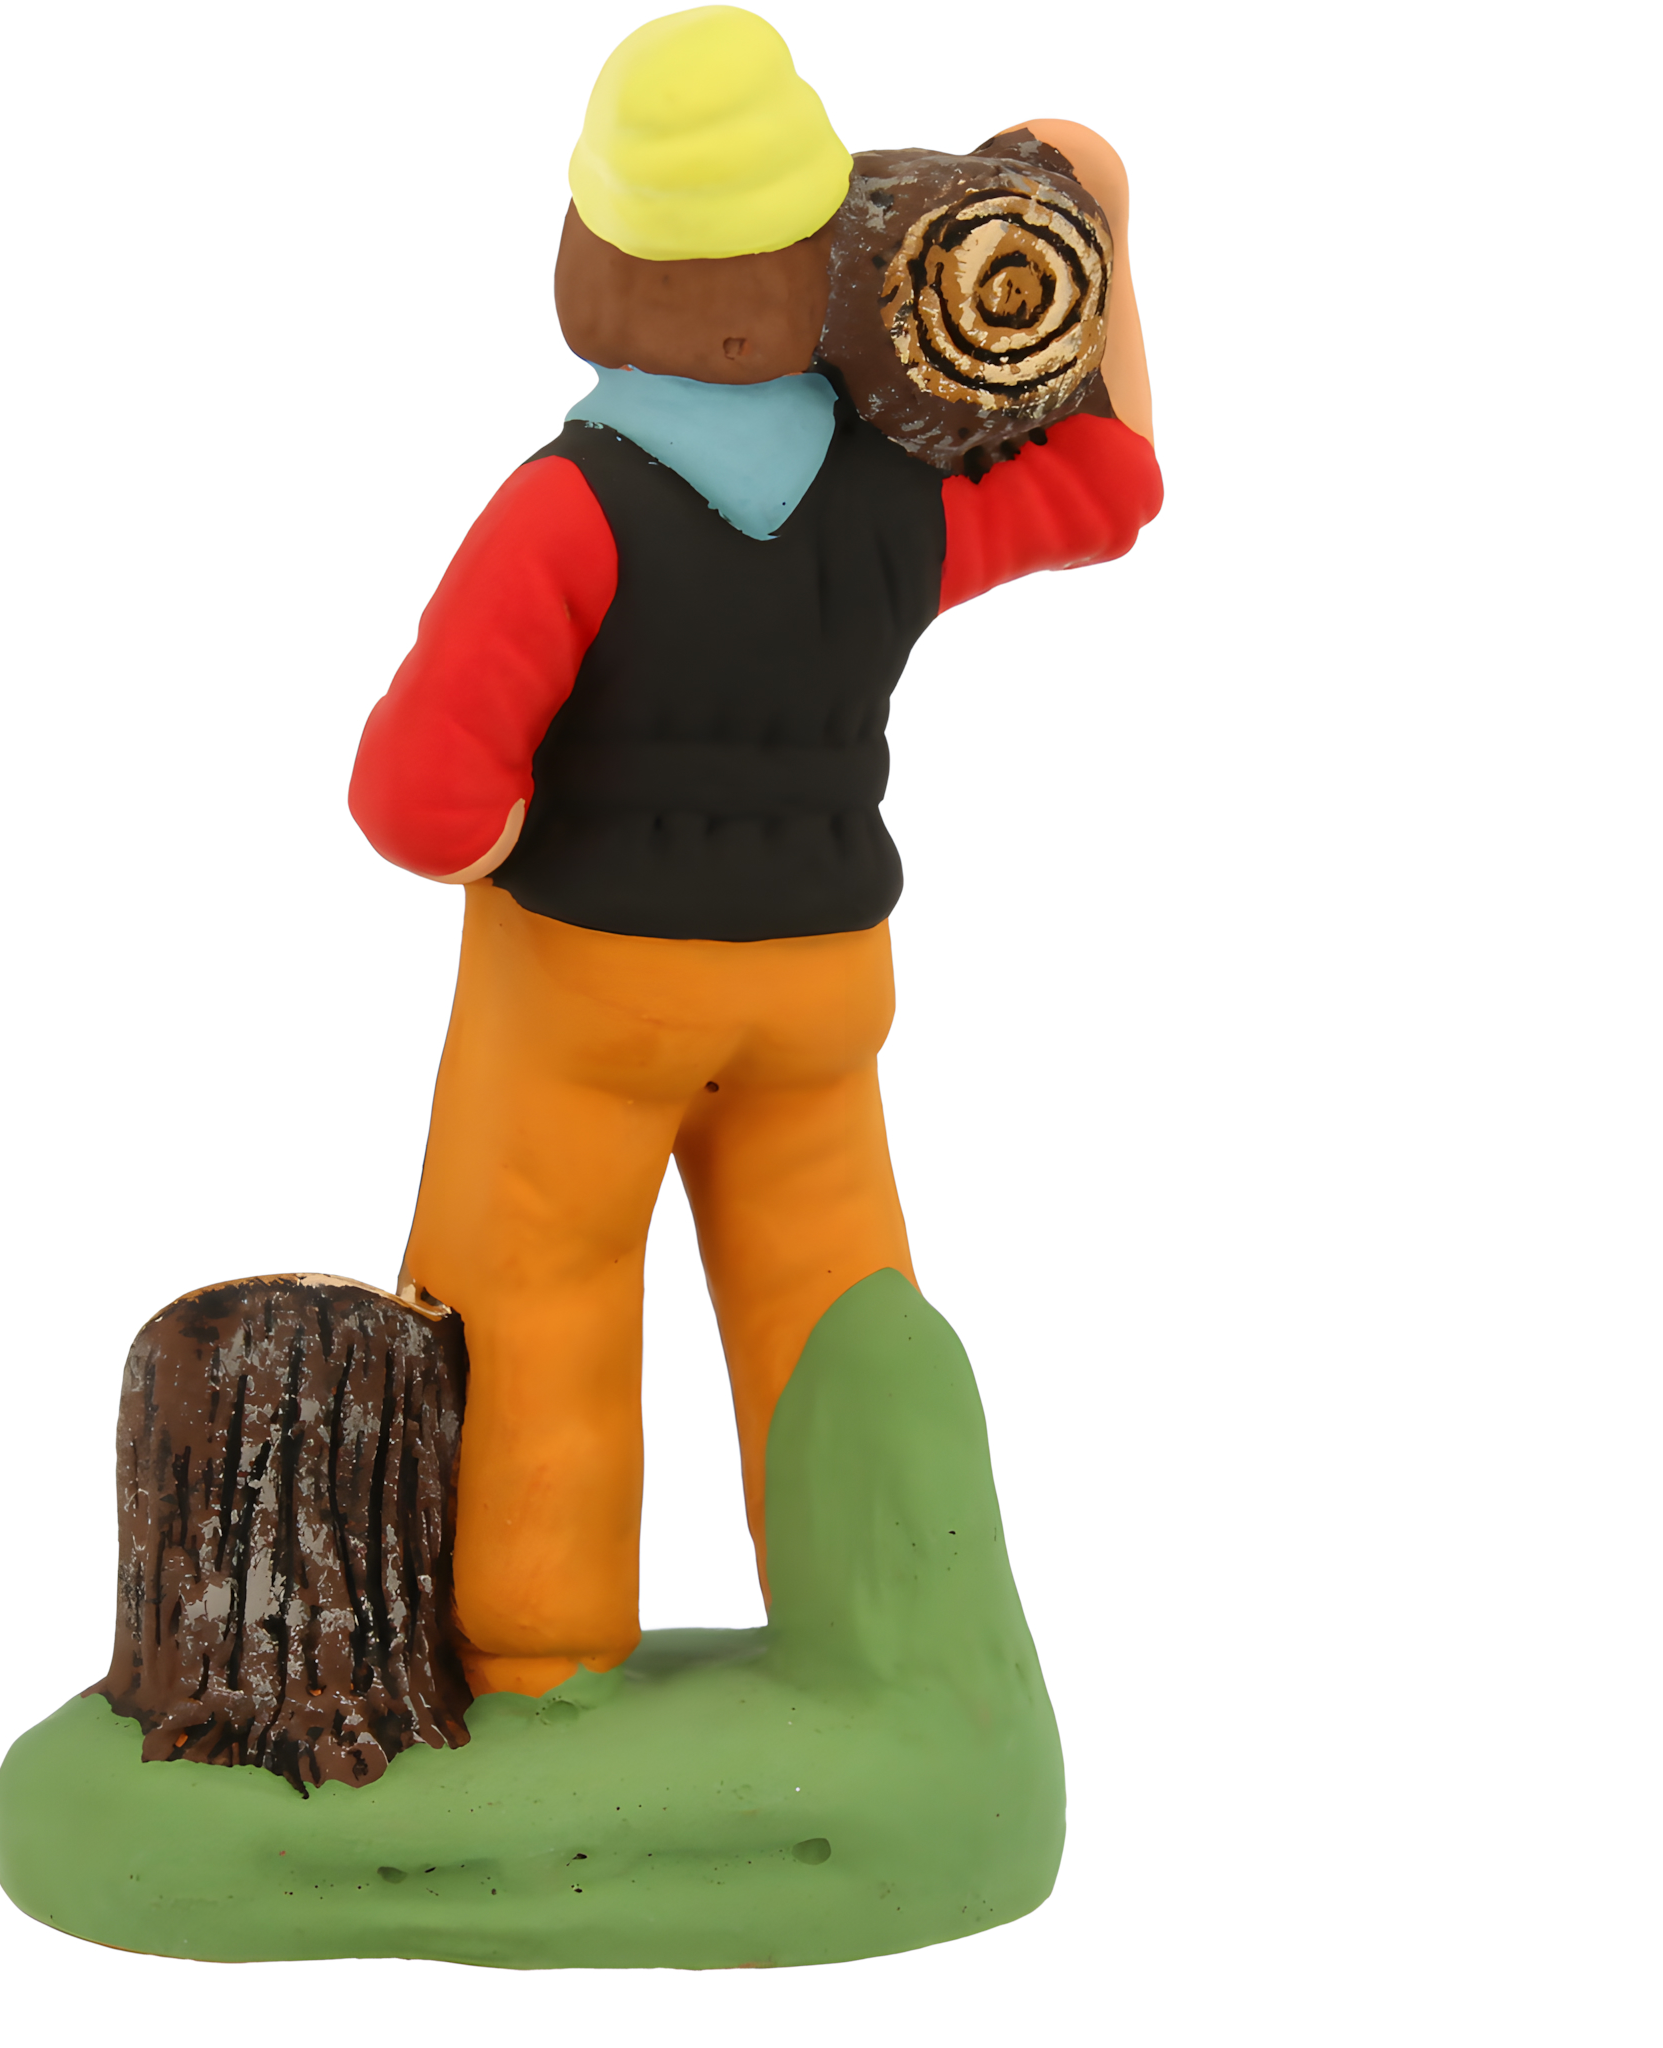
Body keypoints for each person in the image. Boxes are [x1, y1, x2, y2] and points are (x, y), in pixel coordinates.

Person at [349, 5, 1162, 1699]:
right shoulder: (897, 498)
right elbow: (1108, 487)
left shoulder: (566, 508)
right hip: (819, 985)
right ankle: (885, 1636)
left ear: (591, 266)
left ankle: (535, 1660)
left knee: (538, 1294)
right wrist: (1096, 216)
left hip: (596, 984)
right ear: (822, 270)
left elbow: (419, 801)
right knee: (835, 1300)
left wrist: (513, 830)